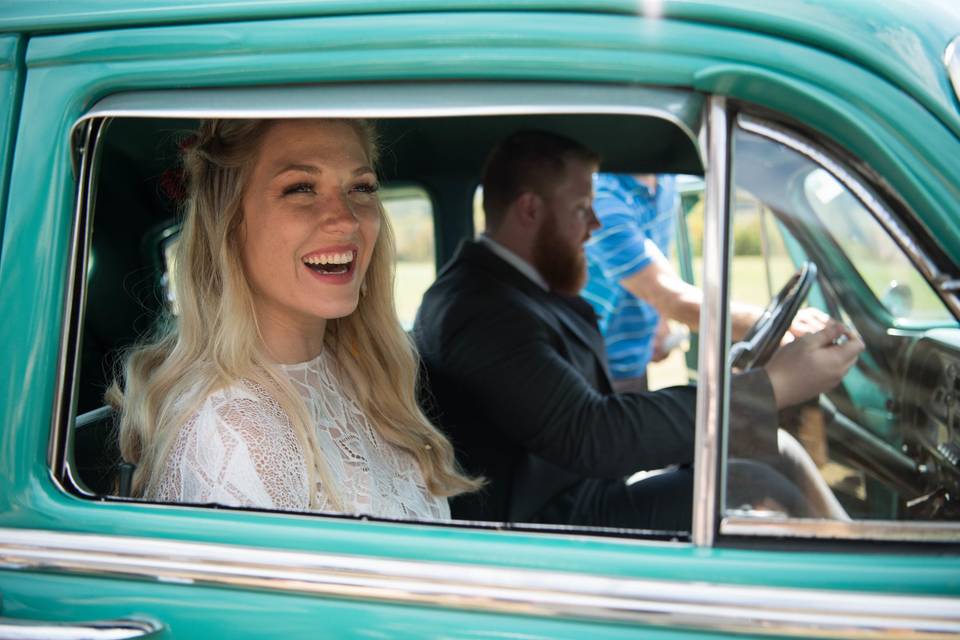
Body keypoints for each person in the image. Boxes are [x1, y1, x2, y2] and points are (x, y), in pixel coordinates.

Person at [414, 130, 862, 530]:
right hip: (546, 526)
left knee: (769, 451)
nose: (594, 226)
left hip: (574, 489)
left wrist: (743, 399)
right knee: (754, 481)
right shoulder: (480, 309)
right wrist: (771, 387)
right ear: (529, 209)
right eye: (582, 209)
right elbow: (592, 432)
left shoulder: (509, 288)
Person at [110, 118, 480, 520]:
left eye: (361, 188)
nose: (346, 220)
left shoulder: (359, 371)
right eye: (301, 188)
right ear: (229, 222)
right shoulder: (234, 432)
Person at [583, 173, 828, 392]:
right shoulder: (603, 199)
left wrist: (658, 318)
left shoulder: (666, 182)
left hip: (633, 359)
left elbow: (653, 260)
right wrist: (777, 325)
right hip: (594, 365)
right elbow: (670, 297)